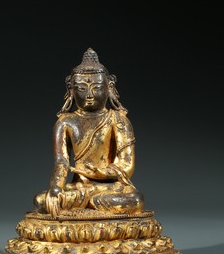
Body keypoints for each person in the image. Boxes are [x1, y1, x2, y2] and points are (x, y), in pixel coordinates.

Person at [34, 48, 144, 217]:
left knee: (135, 200)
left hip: (110, 187)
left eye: (96, 87)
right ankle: (92, 204)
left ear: (109, 87)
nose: (89, 95)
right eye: (82, 88)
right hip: (79, 187)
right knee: (41, 201)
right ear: (71, 89)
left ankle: (90, 204)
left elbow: (127, 165)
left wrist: (100, 173)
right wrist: (56, 188)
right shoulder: (65, 122)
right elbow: (61, 163)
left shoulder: (118, 120)